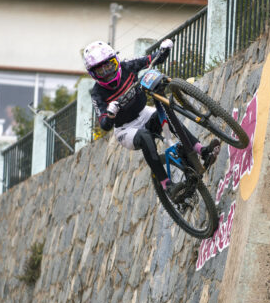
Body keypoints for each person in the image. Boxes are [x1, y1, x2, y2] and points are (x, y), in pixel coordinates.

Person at [84, 40, 220, 199]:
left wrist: (164, 49)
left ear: (116, 61)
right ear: (93, 75)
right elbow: (104, 125)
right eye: (101, 71)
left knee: (168, 114)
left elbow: (155, 58)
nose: (107, 72)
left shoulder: (127, 65)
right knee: (145, 137)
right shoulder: (97, 93)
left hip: (144, 113)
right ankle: (167, 185)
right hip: (125, 129)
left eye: (109, 65)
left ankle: (202, 151)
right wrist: (110, 114)